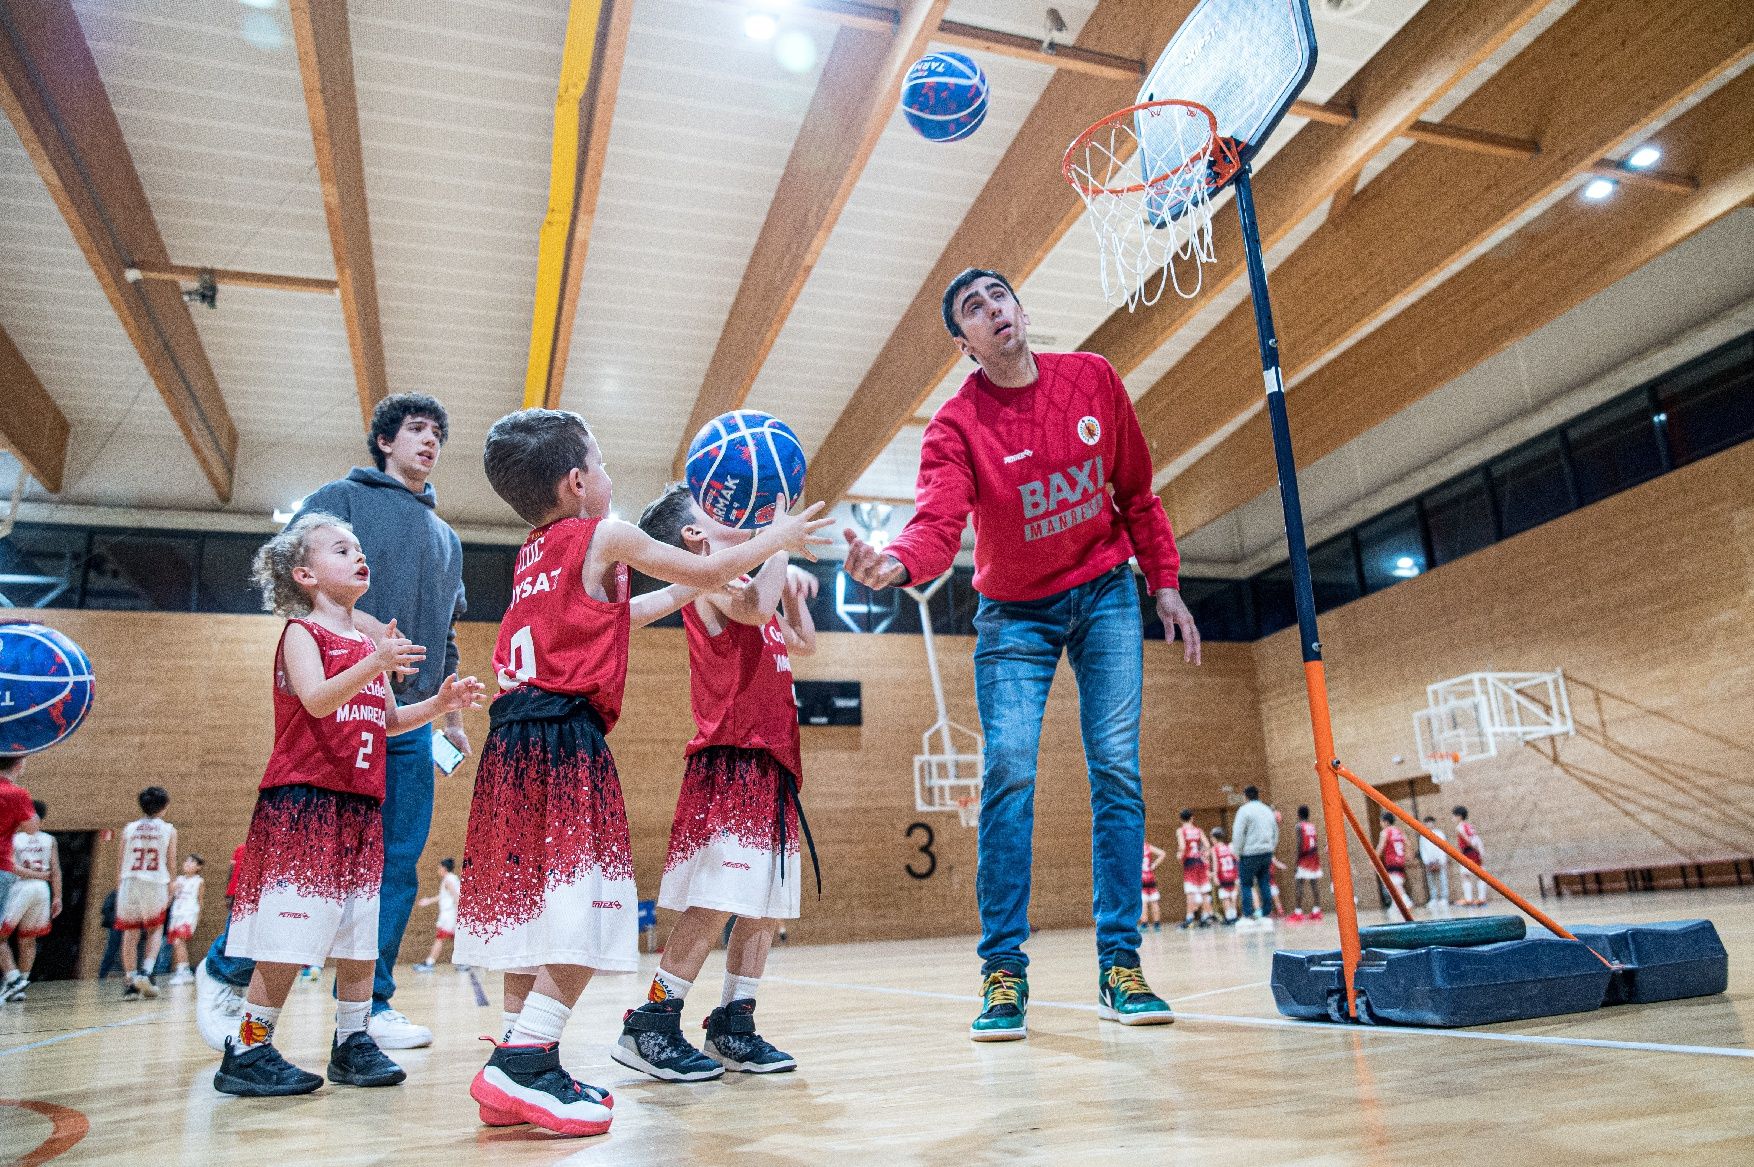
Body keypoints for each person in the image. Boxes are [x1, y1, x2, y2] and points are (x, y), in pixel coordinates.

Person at [454, 409, 831, 1136]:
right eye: (600, 462)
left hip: (513, 738)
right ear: (576, 480)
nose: (609, 474)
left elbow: (631, 614)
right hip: (565, 739)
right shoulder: (607, 532)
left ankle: (513, 1062)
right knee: (593, 910)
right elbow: (707, 572)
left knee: (530, 913)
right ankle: (524, 1060)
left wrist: (714, 575)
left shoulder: (533, 554)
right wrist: (775, 535)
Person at [841, 268, 1197, 1039]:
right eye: (974, 308)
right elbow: (937, 525)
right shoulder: (955, 426)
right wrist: (895, 564)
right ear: (964, 343)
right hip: (1014, 616)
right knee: (1007, 769)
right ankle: (1004, 973)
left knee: (1117, 766)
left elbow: (1137, 493)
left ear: (1022, 309)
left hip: (1104, 591)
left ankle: (1121, 965)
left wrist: (1163, 583)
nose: (993, 309)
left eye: (999, 295)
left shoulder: (1093, 379)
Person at [199, 393, 469, 1053]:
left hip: (406, 720)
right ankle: (227, 968)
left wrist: (452, 716)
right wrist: (374, 641)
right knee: (305, 861)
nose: (427, 441)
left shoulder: (447, 536)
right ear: (384, 440)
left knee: (397, 863)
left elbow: (445, 633)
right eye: (414, 429)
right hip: (342, 708)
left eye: (436, 432)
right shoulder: (340, 498)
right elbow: (298, 579)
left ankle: (369, 1007)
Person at [213, 513, 484, 1098]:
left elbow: (387, 722)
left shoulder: (368, 643)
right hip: (303, 803)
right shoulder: (302, 635)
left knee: (362, 936)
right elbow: (315, 700)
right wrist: (376, 661)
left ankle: (353, 1041)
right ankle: (249, 1048)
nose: (359, 556)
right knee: (288, 938)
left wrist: (439, 701)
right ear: (305, 573)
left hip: (361, 805)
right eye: (341, 549)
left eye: (360, 548)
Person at [611, 483, 821, 1083]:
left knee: (763, 909)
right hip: (730, 762)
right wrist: (779, 537)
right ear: (695, 538)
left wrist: (794, 590)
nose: (741, 520)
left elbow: (801, 641)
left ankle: (734, 1021)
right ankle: (649, 1022)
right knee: (714, 903)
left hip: (773, 765)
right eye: (721, 516)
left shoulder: (750, 585)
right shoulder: (709, 583)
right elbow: (755, 607)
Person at [116, 786, 176, 998]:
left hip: (129, 881)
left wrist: (119, 886)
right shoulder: (168, 829)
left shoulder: (129, 829)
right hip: (155, 881)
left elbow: (121, 861)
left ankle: (130, 980)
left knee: (130, 932)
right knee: (155, 929)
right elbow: (170, 861)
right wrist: (171, 887)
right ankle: (146, 972)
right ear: (164, 806)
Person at [2, 800, 59, 1001]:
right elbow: (56, 871)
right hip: (43, 891)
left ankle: (13, 978)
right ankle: (21, 983)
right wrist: (57, 896)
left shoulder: (14, 838)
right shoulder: (49, 839)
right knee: (28, 939)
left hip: (21, 888)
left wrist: (36, 876)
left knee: (2, 936)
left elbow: (11, 867)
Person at [0, 758, 38, 997]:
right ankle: (14, 978)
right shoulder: (17, 793)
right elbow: (32, 828)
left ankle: (13, 977)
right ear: (19, 765)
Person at [1231, 786, 1278, 931]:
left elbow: (1238, 833)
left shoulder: (1244, 810)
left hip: (1249, 853)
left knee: (1246, 884)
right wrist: (1271, 848)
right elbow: (1275, 831)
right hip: (1266, 852)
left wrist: (1237, 851)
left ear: (1245, 796)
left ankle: (1247, 916)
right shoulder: (1267, 810)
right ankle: (1265, 915)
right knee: (1264, 882)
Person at [413, 858, 460, 972]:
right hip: (451, 914)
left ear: (444, 868)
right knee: (456, 938)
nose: (438, 870)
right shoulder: (451, 879)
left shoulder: (449, 880)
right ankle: (463, 962)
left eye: (439, 867)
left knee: (440, 937)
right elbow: (445, 895)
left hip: (449, 914)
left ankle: (429, 963)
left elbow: (456, 896)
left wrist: (459, 913)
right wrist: (429, 900)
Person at [165, 854, 206, 984]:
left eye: (192, 862)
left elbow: (200, 901)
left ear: (199, 867)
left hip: (189, 914)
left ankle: (182, 971)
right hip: (176, 914)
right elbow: (170, 898)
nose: (188, 864)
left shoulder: (199, 881)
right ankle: (185, 971)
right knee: (177, 943)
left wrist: (198, 917)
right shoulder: (178, 880)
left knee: (179, 941)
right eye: (186, 861)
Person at [1174, 810, 1212, 929]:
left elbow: (1182, 846)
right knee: (1204, 891)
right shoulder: (1198, 830)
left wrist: (1180, 855)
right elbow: (1207, 846)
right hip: (1200, 861)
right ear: (1192, 818)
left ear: (1180, 819)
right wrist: (1204, 855)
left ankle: (1190, 918)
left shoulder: (1181, 830)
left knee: (1190, 892)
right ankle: (1206, 916)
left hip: (1190, 861)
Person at [1288, 804, 1322, 921]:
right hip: (1314, 856)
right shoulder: (1312, 826)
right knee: (1314, 884)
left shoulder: (1299, 826)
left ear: (1299, 814)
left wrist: (1297, 862)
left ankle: (1298, 912)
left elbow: (1300, 844)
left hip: (1304, 857)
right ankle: (1317, 910)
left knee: (1299, 884)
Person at [1454, 806, 1487, 906]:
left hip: (1468, 853)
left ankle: (1469, 899)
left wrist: (1471, 849)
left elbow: (1467, 840)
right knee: (1480, 876)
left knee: (1465, 876)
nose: (1453, 818)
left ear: (1459, 816)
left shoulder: (1460, 827)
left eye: (1454, 816)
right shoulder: (1470, 826)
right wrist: (1480, 852)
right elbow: (1476, 839)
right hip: (1475, 853)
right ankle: (1482, 898)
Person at [1376, 812, 1410, 908]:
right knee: (1395, 883)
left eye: (1381, 821)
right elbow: (1408, 843)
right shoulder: (1399, 831)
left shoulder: (1385, 832)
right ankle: (1396, 905)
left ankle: (1406, 901)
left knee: (1394, 885)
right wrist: (1407, 856)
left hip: (1391, 861)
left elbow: (1381, 847)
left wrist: (1374, 858)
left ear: (1385, 822)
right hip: (1400, 860)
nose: (1380, 824)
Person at [1209, 827, 1240, 925]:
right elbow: (1236, 860)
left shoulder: (1214, 849)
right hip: (1232, 874)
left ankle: (1228, 917)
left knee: (1225, 897)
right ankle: (1234, 916)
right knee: (1233, 896)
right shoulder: (1229, 847)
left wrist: (1215, 876)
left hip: (1223, 875)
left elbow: (1215, 864)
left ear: (1214, 838)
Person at [1420, 815, 1450, 908]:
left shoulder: (1440, 834)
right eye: (1427, 822)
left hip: (1439, 861)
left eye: (1430, 822)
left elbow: (1443, 847)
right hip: (1429, 862)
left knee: (1443, 879)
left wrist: (1442, 860)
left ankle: (1444, 898)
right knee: (1431, 881)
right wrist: (1427, 862)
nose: (1429, 824)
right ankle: (1434, 898)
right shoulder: (1423, 836)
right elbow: (1423, 850)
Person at [1139, 838, 1166, 932]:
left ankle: (1144, 924)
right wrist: (1154, 865)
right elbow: (1162, 853)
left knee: (1143, 902)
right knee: (1154, 901)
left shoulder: (1134, 848)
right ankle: (1157, 924)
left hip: (1141, 878)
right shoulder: (1147, 846)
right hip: (1150, 877)